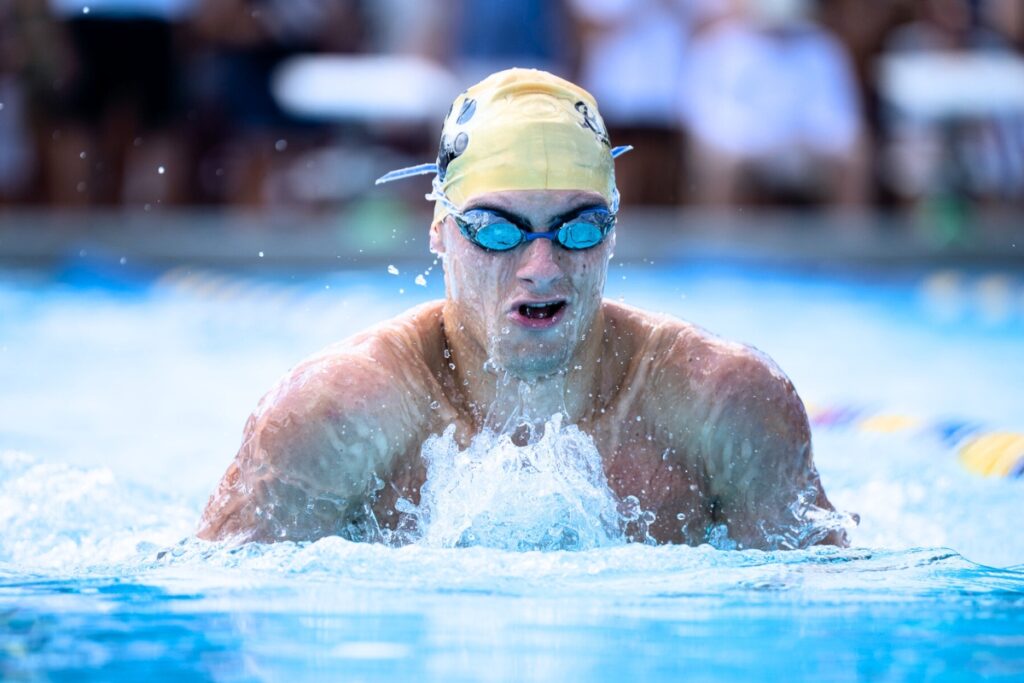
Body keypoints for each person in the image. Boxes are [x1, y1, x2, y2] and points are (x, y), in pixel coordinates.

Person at [198, 68, 849, 549]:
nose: (541, 268)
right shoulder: (332, 418)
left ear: (614, 231)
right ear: (438, 230)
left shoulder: (724, 406)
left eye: (578, 227)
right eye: (497, 229)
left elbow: (825, 625)